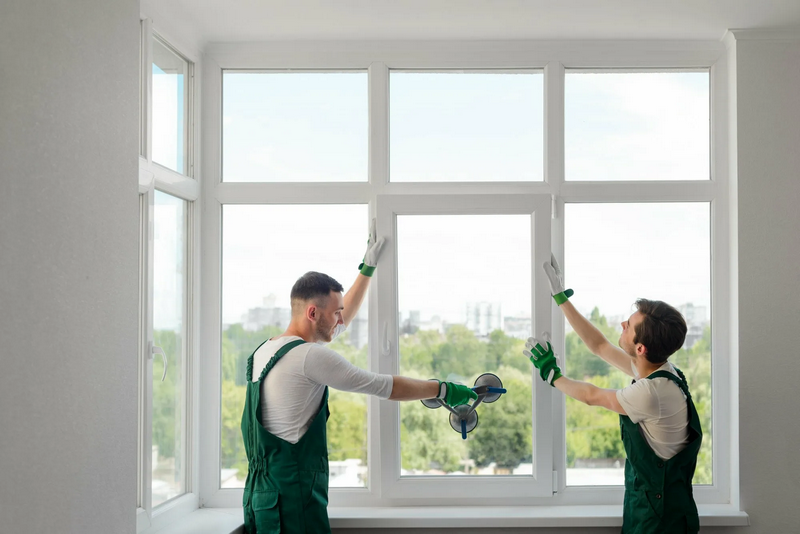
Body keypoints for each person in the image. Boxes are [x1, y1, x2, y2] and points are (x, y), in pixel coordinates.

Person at [241, 220, 477, 534]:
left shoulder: (265, 352)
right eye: (335, 312)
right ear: (313, 313)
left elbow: (337, 323)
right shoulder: (311, 357)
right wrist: (444, 389)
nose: (341, 319)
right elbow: (384, 386)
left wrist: (367, 268)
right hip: (293, 504)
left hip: (261, 500)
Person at [524, 255, 702, 534]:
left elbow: (591, 396)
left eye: (629, 326)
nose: (622, 324)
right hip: (658, 508)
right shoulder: (663, 370)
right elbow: (600, 346)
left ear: (640, 348)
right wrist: (561, 298)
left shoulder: (651, 393)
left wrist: (552, 375)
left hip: (658, 521)